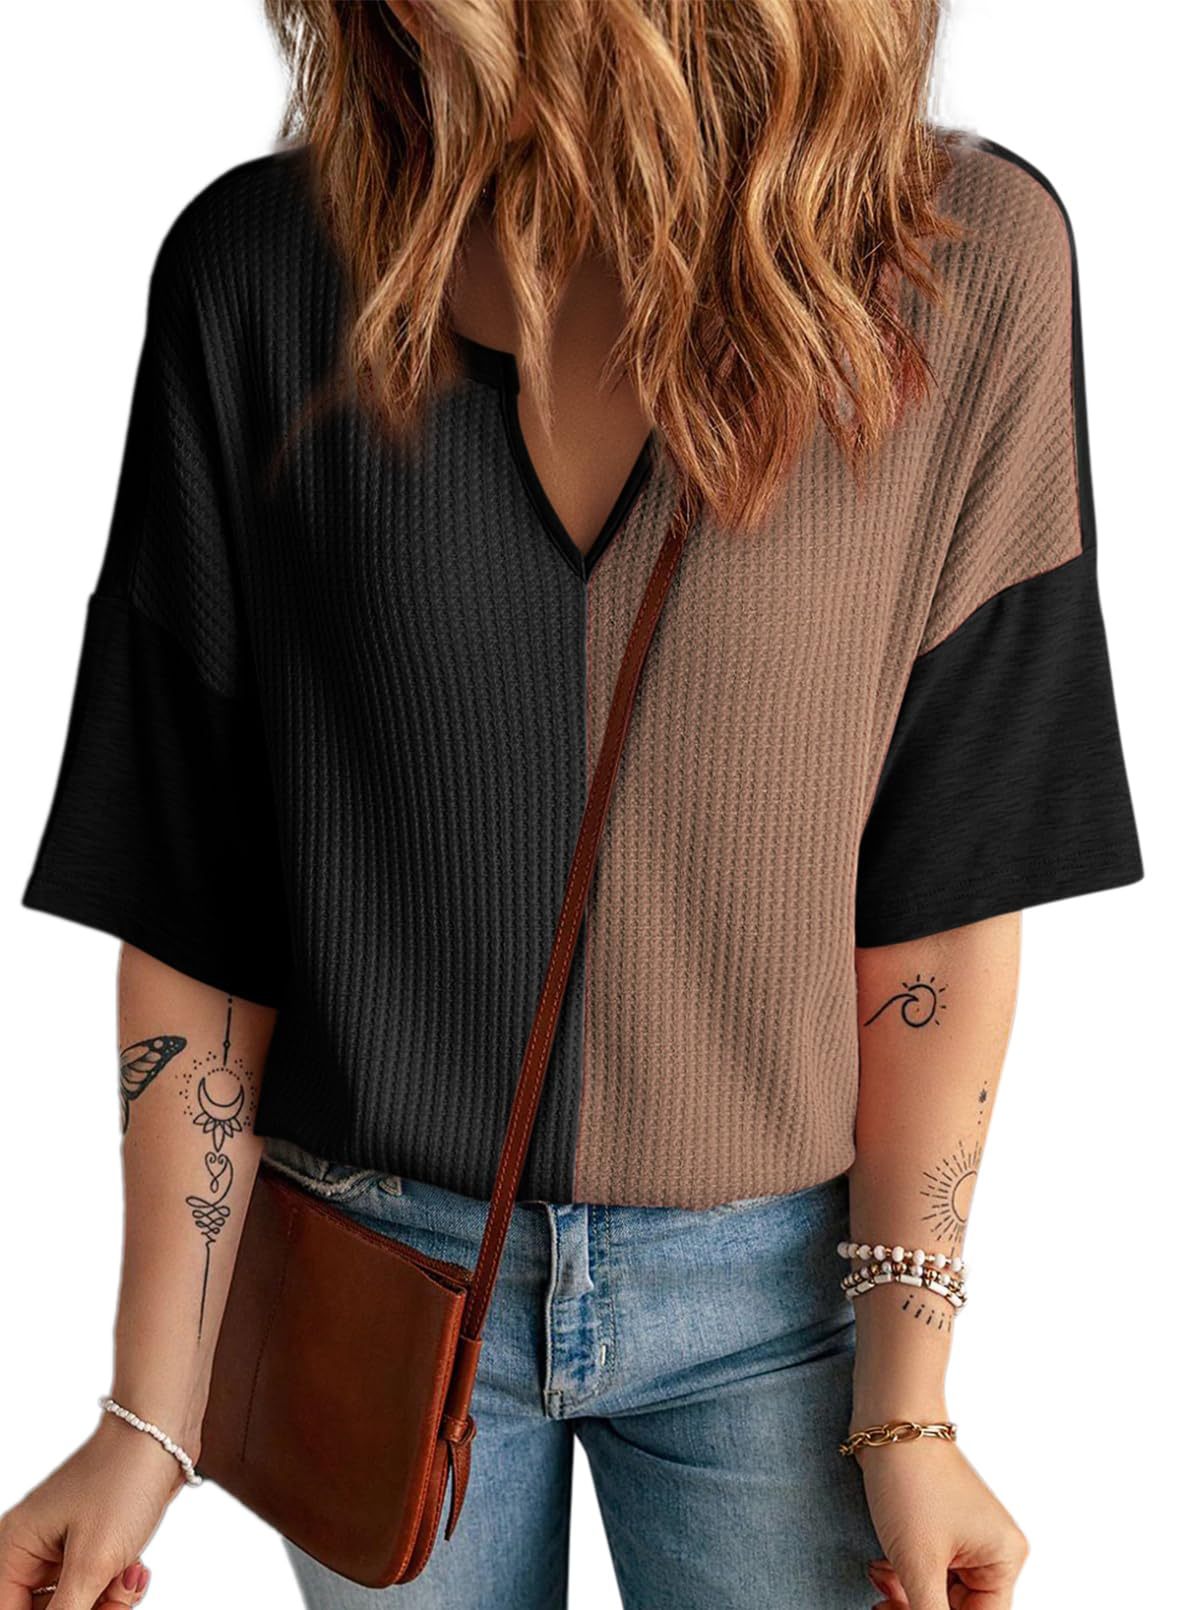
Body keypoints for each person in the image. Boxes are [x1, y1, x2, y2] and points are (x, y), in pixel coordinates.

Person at [1, 2, 1144, 1608]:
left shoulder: (960, 263)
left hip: (780, 1313)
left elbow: (946, 878)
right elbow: (195, 890)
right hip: (370, 1288)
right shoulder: (259, 270)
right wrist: (151, 1409)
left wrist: (909, 1397)